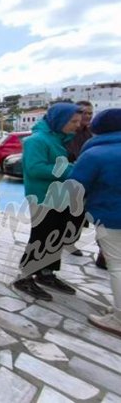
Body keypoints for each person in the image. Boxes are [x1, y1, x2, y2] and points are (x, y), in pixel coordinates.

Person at [13, 103, 83, 301]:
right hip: (43, 197)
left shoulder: (57, 138)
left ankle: (46, 273)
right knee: (41, 237)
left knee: (56, 236)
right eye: (73, 121)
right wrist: (71, 170)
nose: (77, 125)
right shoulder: (36, 140)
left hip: (60, 196)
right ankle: (24, 277)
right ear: (60, 120)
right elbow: (35, 168)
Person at [69, 109, 121, 336]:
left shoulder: (95, 154)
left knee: (117, 265)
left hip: (111, 216)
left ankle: (119, 318)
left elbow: (75, 186)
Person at [66, 101, 95, 259]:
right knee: (70, 213)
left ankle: (71, 241)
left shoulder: (90, 133)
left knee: (80, 214)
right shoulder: (67, 133)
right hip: (70, 178)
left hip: (86, 179)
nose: (88, 116)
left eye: (90, 113)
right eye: (85, 113)